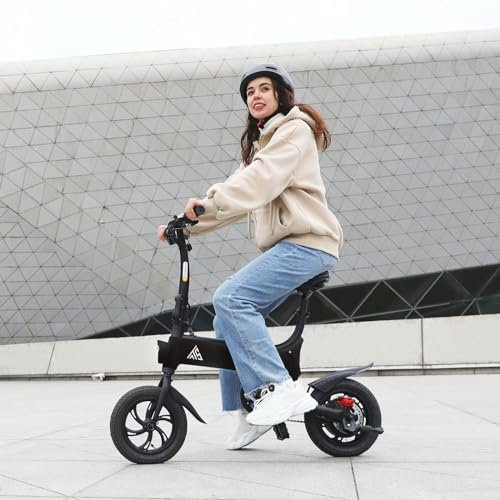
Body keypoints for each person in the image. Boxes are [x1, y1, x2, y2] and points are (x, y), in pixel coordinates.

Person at [157, 63, 343, 450]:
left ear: (280, 95)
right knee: (225, 317)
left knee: (231, 297)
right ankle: (246, 411)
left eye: (263, 89)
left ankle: (278, 388)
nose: (255, 96)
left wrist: (208, 202)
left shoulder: (294, 131)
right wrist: (185, 225)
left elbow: (258, 182)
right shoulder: (263, 146)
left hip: (310, 244)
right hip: (292, 247)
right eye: (249, 92)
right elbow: (235, 200)